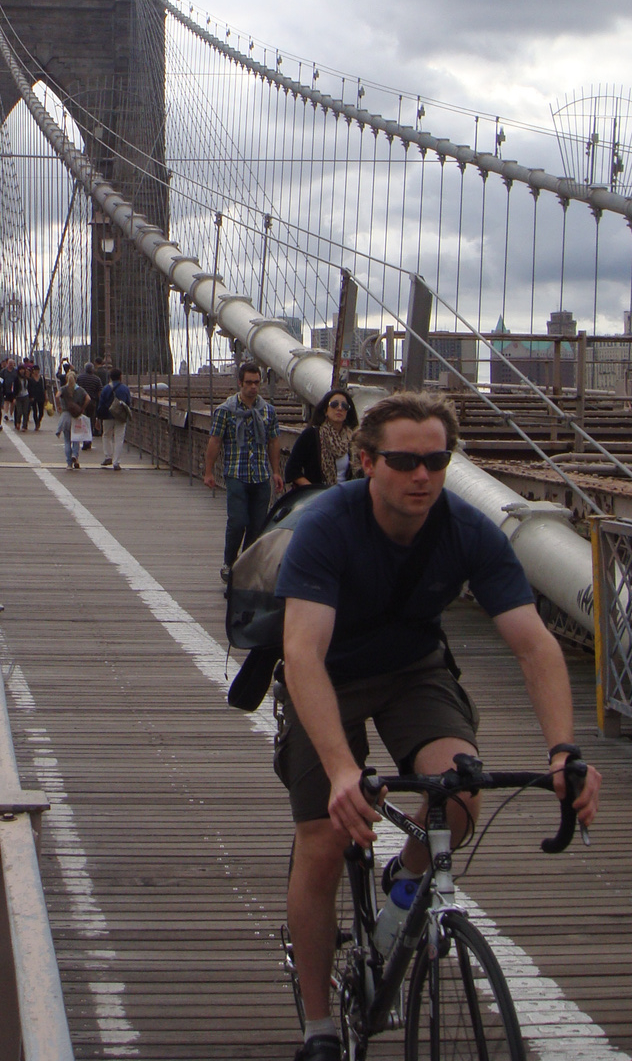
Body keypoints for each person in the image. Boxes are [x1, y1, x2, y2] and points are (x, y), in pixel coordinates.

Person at [275, 391, 602, 1061]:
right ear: (367, 462)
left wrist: (563, 750)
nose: (422, 475)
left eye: (437, 460)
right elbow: (301, 652)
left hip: (411, 668)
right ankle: (318, 1026)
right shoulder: (328, 526)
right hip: (327, 675)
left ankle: (403, 886)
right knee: (323, 839)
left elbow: (535, 644)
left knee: (458, 794)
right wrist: (342, 770)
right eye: (405, 461)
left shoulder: (469, 529)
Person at [203, 362, 282, 582]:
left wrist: (276, 472)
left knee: (257, 526)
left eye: (257, 383)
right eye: (249, 383)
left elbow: (274, 442)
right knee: (237, 521)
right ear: (239, 383)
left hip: (260, 474)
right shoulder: (225, 411)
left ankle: (245, 565)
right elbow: (215, 441)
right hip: (236, 473)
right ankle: (229, 562)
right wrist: (208, 472)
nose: (253, 387)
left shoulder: (268, 411)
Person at [284, 389, 359, 490]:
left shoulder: (353, 440)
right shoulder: (311, 435)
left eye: (344, 406)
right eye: (334, 404)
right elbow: (291, 470)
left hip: (344, 496)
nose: (340, 408)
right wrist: (314, 489)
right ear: (325, 410)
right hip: (317, 497)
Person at [96, 367, 132, 470]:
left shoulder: (106, 388)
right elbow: (128, 402)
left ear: (110, 377)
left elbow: (101, 404)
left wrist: (98, 418)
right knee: (119, 438)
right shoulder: (125, 388)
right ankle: (116, 462)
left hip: (107, 415)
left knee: (106, 435)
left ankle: (108, 456)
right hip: (120, 416)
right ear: (120, 377)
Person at [56, 370, 91, 469]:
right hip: (76, 416)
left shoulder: (63, 389)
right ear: (75, 379)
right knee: (76, 438)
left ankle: (68, 464)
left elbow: (57, 396)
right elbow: (88, 399)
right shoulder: (80, 390)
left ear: (67, 379)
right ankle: (75, 455)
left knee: (67, 440)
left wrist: (59, 406)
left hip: (66, 416)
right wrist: (82, 408)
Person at [77, 362, 103, 450]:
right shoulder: (97, 379)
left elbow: (76, 389)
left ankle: (85, 441)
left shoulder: (80, 378)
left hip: (81, 402)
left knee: (83, 422)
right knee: (90, 422)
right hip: (92, 402)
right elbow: (100, 392)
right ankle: (88, 440)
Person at [25, 362, 46, 430]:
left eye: (37, 370)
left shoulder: (42, 378)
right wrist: (30, 396)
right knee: (35, 410)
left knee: (41, 412)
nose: (36, 372)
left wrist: (46, 396)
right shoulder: (30, 379)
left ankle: (39, 420)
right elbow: (29, 388)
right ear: (33, 371)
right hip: (33, 396)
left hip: (41, 396)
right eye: (35, 370)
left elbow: (44, 388)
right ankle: (36, 423)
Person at [14, 360, 33, 430]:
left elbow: (29, 388)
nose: (22, 371)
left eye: (23, 370)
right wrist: (14, 397)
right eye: (20, 370)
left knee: (25, 412)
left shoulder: (27, 379)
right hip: (18, 396)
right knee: (19, 411)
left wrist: (31, 396)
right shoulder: (16, 379)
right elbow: (14, 389)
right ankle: (18, 422)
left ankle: (24, 426)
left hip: (26, 396)